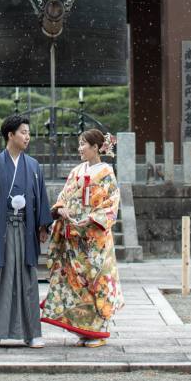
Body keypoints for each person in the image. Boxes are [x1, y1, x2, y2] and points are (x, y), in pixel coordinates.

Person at [0, 112, 53, 348]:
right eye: (23, 132)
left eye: (28, 133)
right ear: (10, 135)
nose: (27, 137)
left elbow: (40, 198)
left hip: (25, 229)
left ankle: (32, 333)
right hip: (1, 229)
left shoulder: (33, 166)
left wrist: (43, 224)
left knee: (27, 278)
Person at [41, 127, 124, 346]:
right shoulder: (77, 170)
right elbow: (63, 196)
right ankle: (83, 329)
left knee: (96, 280)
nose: (79, 149)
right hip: (74, 237)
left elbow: (112, 202)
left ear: (96, 147)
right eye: (79, 144)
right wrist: (60, 210)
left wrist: (92, 218)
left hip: (95, 237)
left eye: (83, 145)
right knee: (76, 282)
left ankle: (98, 329)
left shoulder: (106, 172)